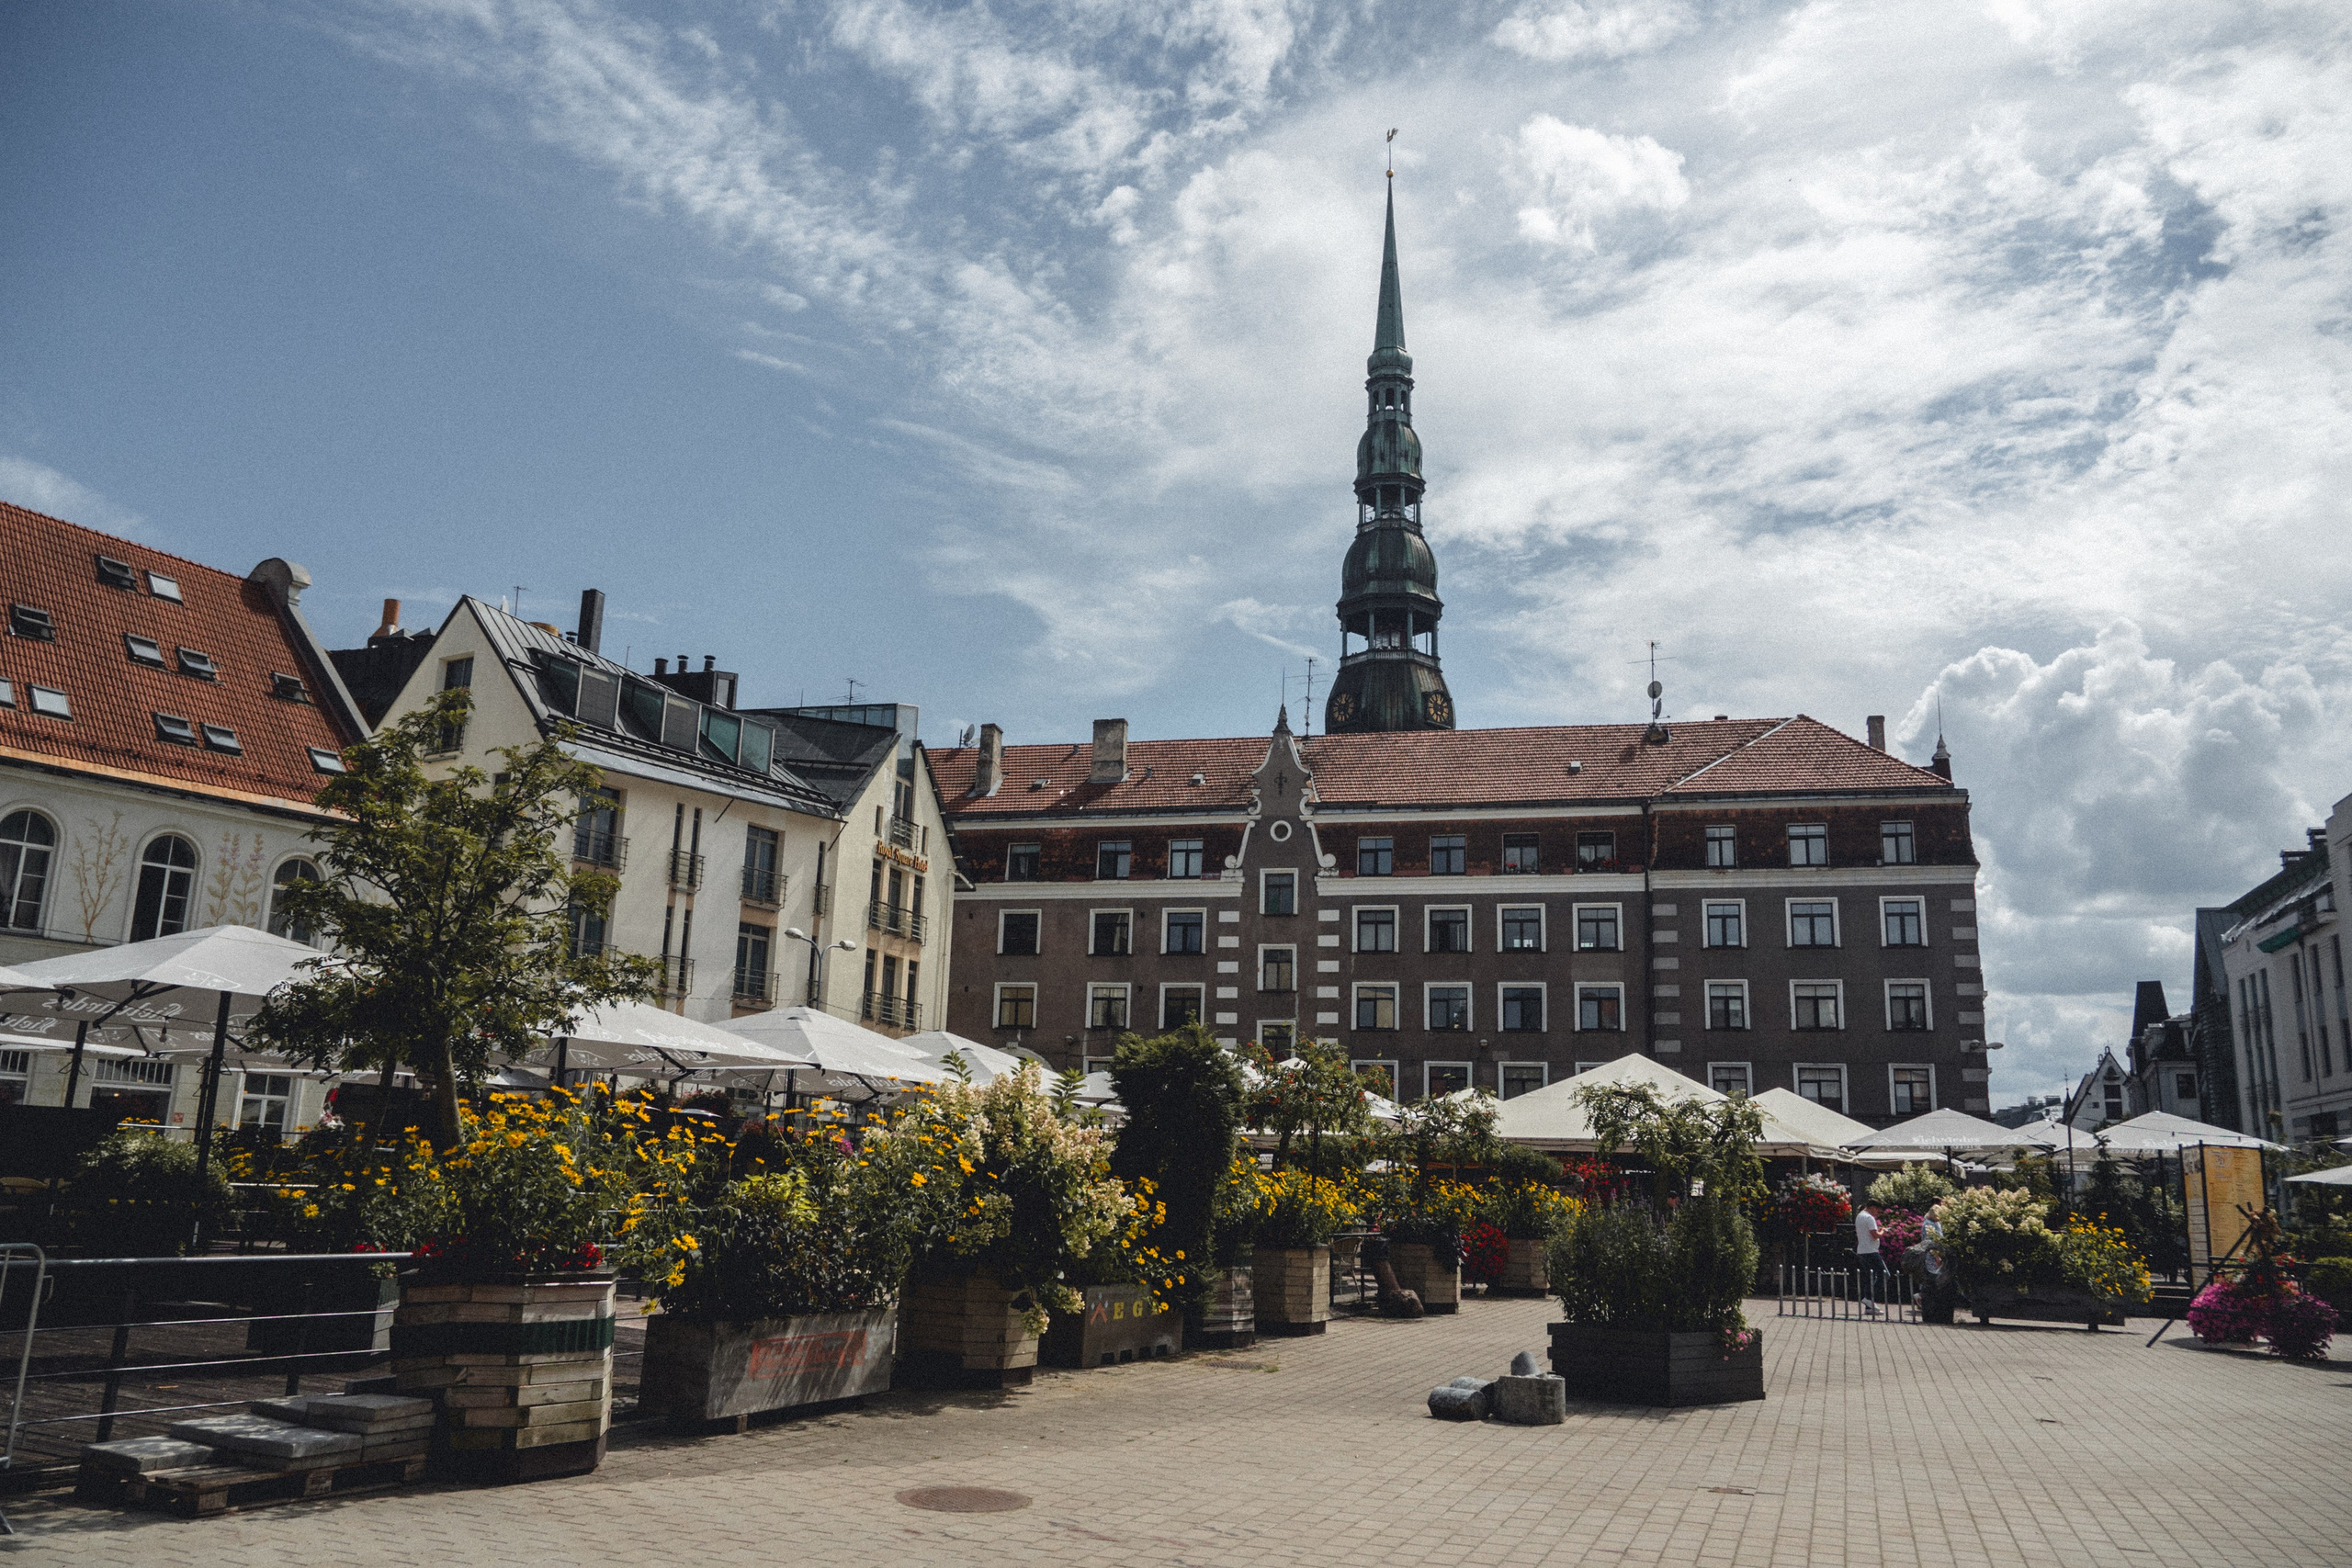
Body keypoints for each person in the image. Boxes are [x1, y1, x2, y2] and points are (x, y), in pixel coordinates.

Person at [1854, 1201, 1885, 1314]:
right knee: (1884, 1274)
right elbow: (1875, 1235)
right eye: (1877, 1210)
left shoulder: (1859, 1216)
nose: (1877, 1213)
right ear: (1872, 1207)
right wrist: (1882, 1231)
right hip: (1871, 1251)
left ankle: (1869, 1307)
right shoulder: (1869, 1218)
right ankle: (1868, 1298)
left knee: (1869, 1277)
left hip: (1862, 1250)